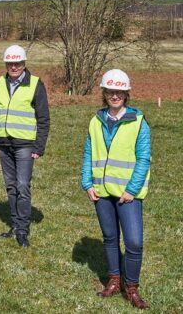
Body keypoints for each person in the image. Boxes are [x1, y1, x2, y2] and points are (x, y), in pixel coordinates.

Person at [81, 69, 151, 309]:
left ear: (126, 93)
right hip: (101, 192)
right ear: (104, 92)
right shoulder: (96, 120)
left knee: (134, 242)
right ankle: (113, 279)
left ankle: (131, 287)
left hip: (127, 195)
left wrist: (131, 189)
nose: (115, 95)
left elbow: (144, 159)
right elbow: (89, 153)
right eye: (111, 91)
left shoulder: (138, 122)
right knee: (110, 238)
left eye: (119, 91)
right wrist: (87, 183)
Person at [0, 44, 50, 247]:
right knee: (11, 186)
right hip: (4, 143)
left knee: (23, 186)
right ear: (6, 64)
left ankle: (22, 230)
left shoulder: (36, 85)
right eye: (10, 63)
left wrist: (39, 146)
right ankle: (14, 225)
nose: (14, 67)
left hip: (25, 145)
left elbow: (44, 119)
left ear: (24, 64)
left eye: (18, 63)